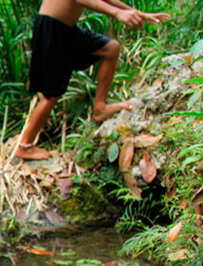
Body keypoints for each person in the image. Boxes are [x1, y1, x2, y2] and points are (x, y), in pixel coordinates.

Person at [14, 0, 169, 160]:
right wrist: (117, 13)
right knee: (50, 95)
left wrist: (135, 12)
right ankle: (24, 145)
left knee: (111, 48)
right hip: (51, 29)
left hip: (66, 30)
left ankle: (100, 107)